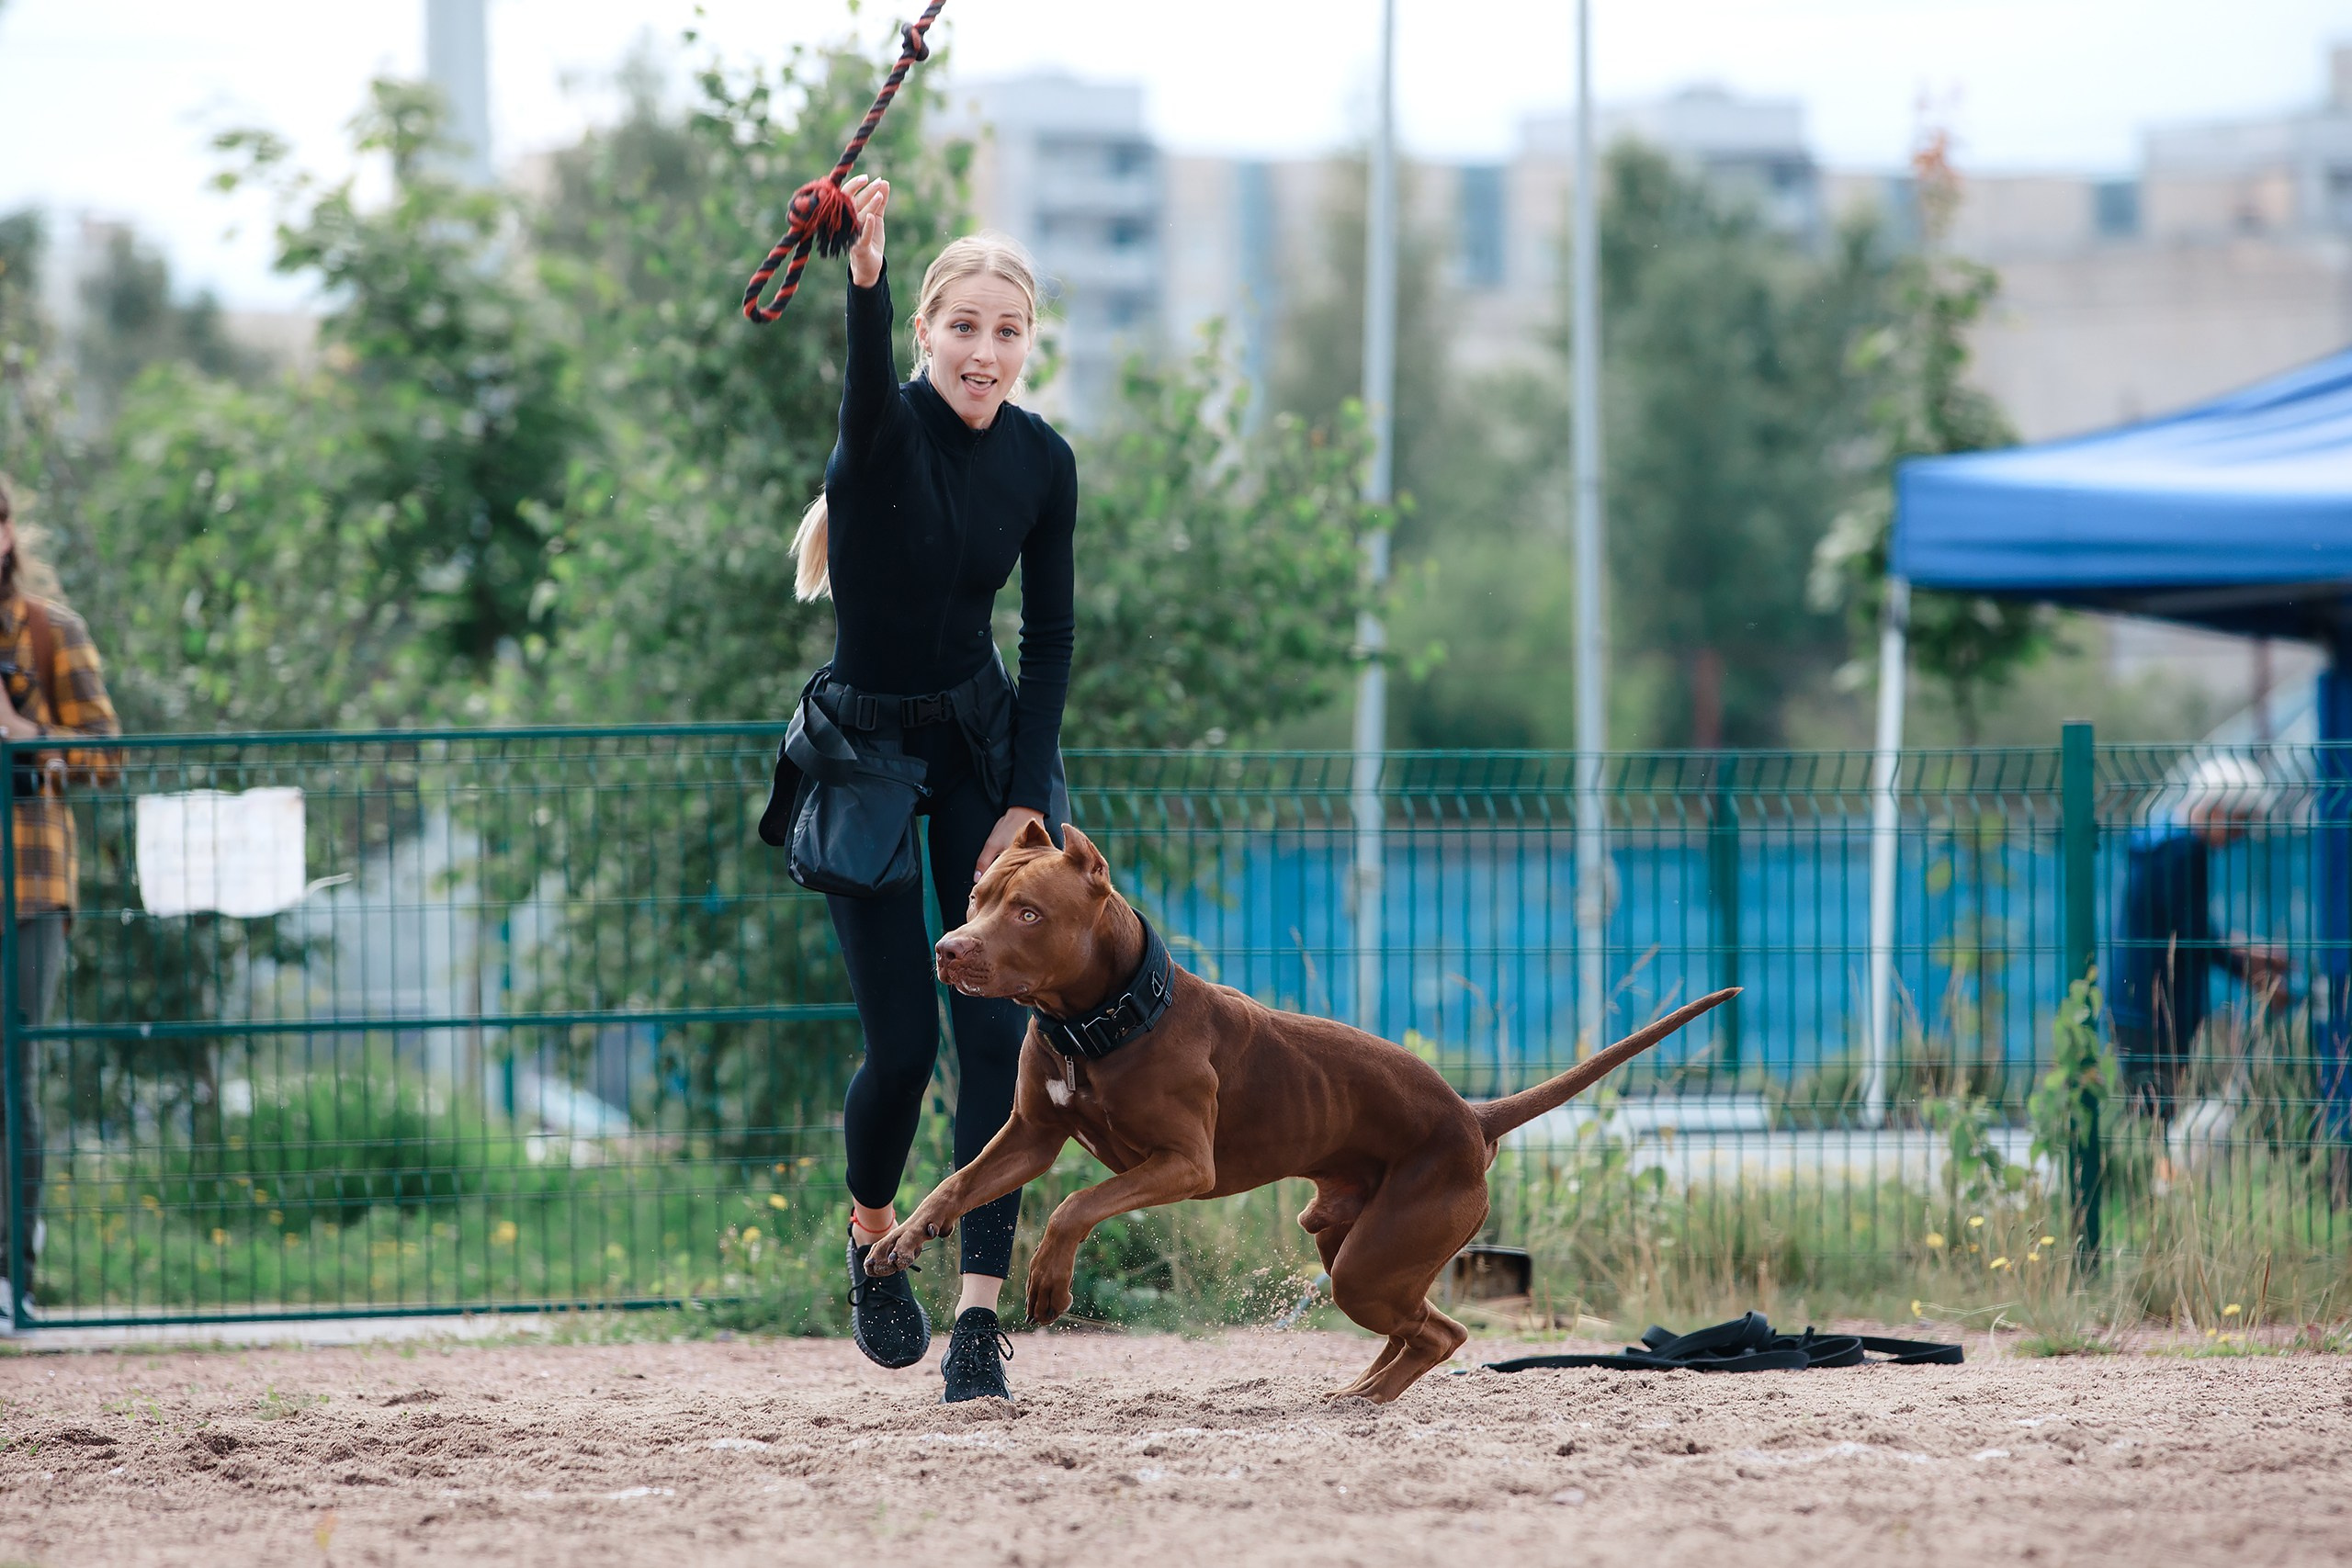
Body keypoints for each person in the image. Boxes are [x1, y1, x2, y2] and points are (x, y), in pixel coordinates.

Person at [779, 178, 1074, 1403]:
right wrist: (862, 270)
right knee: (900, 1047)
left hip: (975, 746)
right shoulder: (882, 434)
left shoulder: (1043, 461)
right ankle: (871, 1232)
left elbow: (1047, 640)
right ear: (926, 334)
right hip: (858, 749)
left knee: (996, 1035)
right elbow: (860, 394)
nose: (987, 351)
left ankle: (975, 1320)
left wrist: (1019, 795)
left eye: (1009, 331)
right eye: (965, 326)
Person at [0, 477, 120, 1320]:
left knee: (14, 1078)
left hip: (28, 889)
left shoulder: (50, 632)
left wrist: (26, 733)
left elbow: (108, 755)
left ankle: (16, 1273)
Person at [2109, 753, 2288, 1123]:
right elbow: (2190, 935)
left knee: (2149, 1115)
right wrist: (2252, 972)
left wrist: (2248, 952)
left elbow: (2183, 924)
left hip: (2136, 1000)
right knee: (2158, 1114)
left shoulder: (2159, 840)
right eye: (2239, 823)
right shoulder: (2184, 851)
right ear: (2216, 809)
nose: (2239, 836)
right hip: (2160, 1007)